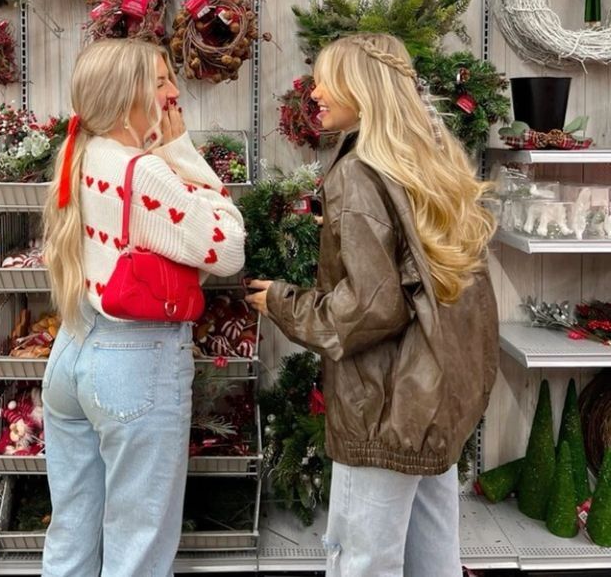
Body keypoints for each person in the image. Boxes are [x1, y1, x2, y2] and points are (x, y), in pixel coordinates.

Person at [246, 33, 498, 577]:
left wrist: (283, 303)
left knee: (362, 559)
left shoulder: (359, 173)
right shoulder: (424, 163)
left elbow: (371, 307)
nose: (313, 90)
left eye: (326, 78)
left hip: (384, 405)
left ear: (362, 88)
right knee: (432, 553)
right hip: (432, 398)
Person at [41, 38, 246, 577]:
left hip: (72, 350)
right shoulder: (146, 172)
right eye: (159, 82)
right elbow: (227, 249)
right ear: (126, 93)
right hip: (133, 363)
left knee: (71, 529)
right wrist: (184, 154)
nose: (174, 92)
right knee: (138, 545)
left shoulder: (79, 153)